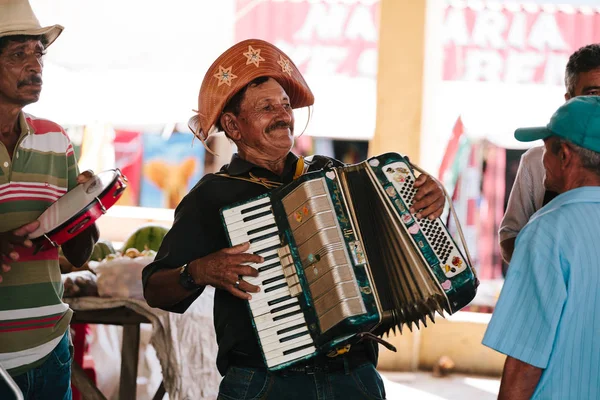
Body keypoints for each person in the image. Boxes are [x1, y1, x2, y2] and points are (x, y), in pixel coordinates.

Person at [143, 38, 446, 400]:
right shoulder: (212, 196)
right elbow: (154, 289)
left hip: (354, 378)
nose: (284, 115)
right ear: (234, 126)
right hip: (263, 383)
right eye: (266, 107)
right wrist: (198, 270)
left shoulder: (332, 175)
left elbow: (396, 226)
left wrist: (425, 197)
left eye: (285, 105)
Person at [0, 1, 98, 398]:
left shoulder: (56, 140)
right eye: (18, 55)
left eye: (39, 53)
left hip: (49, 349)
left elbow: (78, 252)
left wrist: (87, 205)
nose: (35, 66)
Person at [483, 96, 600, 400]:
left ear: (564, 155)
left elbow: (524, 363)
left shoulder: (546, 230)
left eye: (546, 150)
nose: (541, 161)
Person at [499, 43, 600, 264]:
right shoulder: (537, 161)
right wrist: (542, 270)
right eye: (592, 93)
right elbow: (510, 236)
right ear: (569, 99)